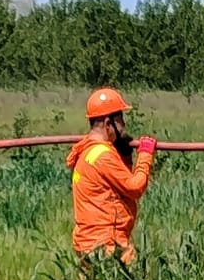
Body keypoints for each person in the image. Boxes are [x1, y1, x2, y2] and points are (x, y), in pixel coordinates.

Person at [66, 87, 157, 262]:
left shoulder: (88, 152)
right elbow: (134, 187)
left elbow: (115, 184)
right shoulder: (104, 156)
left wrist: (124, 156)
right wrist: (145, 154)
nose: (124, 125)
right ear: (108, 123)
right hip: (107, 245)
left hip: (88, 244)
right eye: (120, 119)